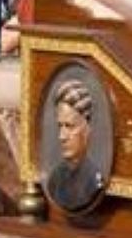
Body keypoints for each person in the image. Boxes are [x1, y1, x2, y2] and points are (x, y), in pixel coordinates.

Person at [45, 79, 105, 213]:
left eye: (70, 126)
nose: (62, 136)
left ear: (88, 129)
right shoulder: (55, 178)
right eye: (60, 126)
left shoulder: (95, 179)